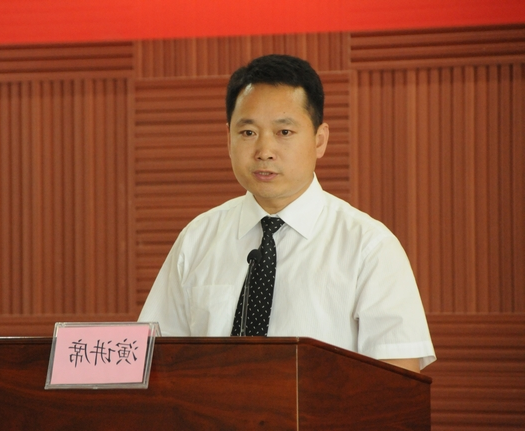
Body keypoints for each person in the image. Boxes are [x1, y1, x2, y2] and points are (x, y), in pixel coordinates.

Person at [138, 54, 435, 373]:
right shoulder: (197, 239)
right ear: (228, 138)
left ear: (320, 140)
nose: (264, 151)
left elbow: (398, 376)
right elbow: (150, 361)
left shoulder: (369, 247)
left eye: (284, 132)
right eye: (248, 133)